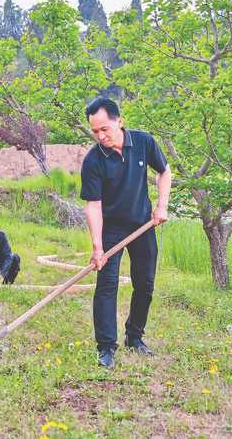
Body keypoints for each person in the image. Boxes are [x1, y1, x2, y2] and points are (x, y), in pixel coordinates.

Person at [80, 98, 172, 368]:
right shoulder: (94, 160)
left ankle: (135, 337)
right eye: (95, 131)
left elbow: (165, 172)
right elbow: (93, 206)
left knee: (145, 283)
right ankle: (106, 346)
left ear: (120, 121)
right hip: (111, 229)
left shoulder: (143, 142)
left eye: (105, 129)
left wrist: (161, 206)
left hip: (143, 223)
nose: (100, 136)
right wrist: (97, 247)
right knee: (106, 286)